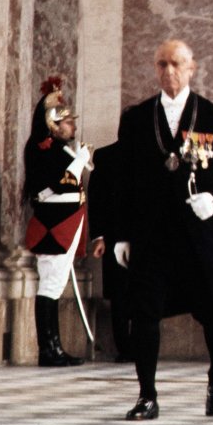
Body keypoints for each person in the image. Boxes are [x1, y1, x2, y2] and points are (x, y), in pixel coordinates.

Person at [112, 39, 213, 421]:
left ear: (192, 68)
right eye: (162, 64)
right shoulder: (137, 118)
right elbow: (123, 180)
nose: (169, 72)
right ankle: (147, 395)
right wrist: (120, 233)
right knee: (145, 312)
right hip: (151, 234)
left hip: (198, 233)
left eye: (176, 64)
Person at [22, 77, 90, 367]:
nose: (72, 126)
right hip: (54, 223)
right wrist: (80, 160)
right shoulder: (44, 149)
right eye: (67, 123)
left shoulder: (61, 149)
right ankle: (48, 350)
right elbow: (62, 183)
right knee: (49, 285)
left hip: (66, 221)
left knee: (56, 284)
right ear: (53, 125)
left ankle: (55, 347)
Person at [86, 142, 132, 362]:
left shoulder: (154, 153)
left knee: (146, 291)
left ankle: (142, 344)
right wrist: (98, 236)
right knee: (119, 293)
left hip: (144, 236)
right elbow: (96, 198)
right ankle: (124, 347)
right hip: (114, 235)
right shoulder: (105, 156)